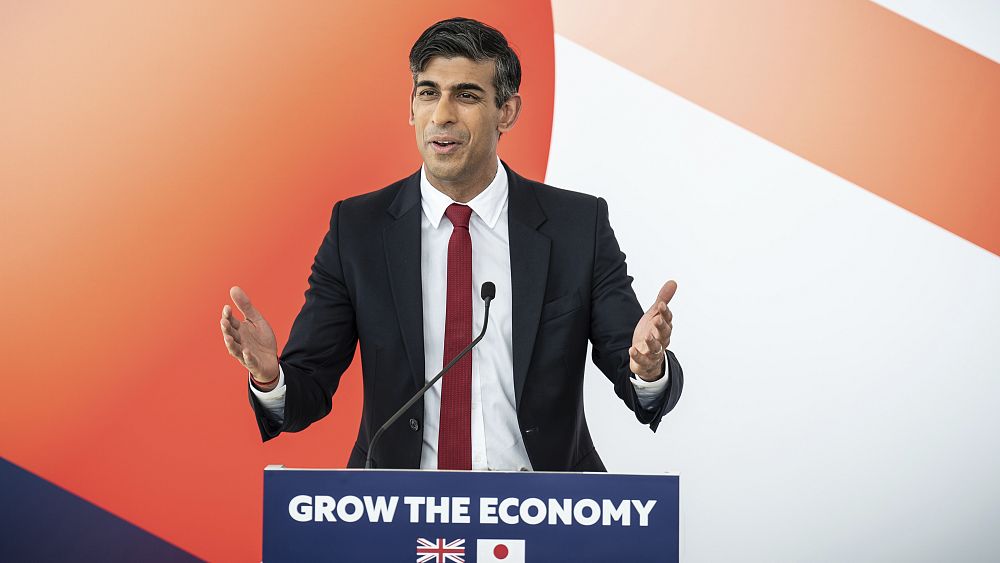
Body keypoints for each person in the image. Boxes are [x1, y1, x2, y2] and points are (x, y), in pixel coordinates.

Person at [220, 17, 683, 471]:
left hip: (544, 504)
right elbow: (307, 390)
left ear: (507, 112)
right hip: (399, 504)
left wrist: (648, 370)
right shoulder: (358, 230)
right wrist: (270, 377)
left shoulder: (576, 226)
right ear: (412, 107)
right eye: (428, 93)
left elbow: (633, 369)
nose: (442, 115)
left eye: (466, 95)